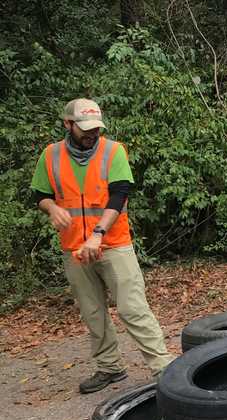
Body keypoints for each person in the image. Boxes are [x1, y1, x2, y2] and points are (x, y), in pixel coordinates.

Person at [32, 98, 175, 393]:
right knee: (92, 311)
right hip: (74, 248)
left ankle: (163, 367)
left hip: (113, 243)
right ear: (67, 124)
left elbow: (119, 195)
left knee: (132, 307)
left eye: (95, 128)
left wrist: (98, 233)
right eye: (84, 129)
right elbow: (40, 195)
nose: (91, 134)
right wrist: (51, 208)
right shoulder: (51, 155)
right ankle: (110, 367)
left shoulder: (113, 151)